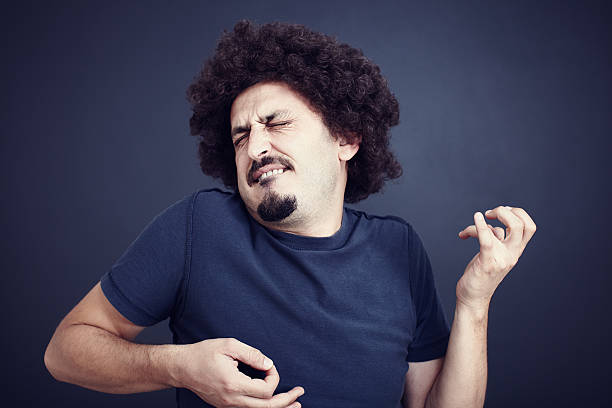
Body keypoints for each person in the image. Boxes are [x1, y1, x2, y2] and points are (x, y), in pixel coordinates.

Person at [44, 20, 536, 408]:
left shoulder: (398, 249)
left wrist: (474, 303)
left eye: (276, 123)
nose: (255, 146)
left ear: (345, 139)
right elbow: (65, 351)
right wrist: (178, 367)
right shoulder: (197, 227)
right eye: (240, 136)